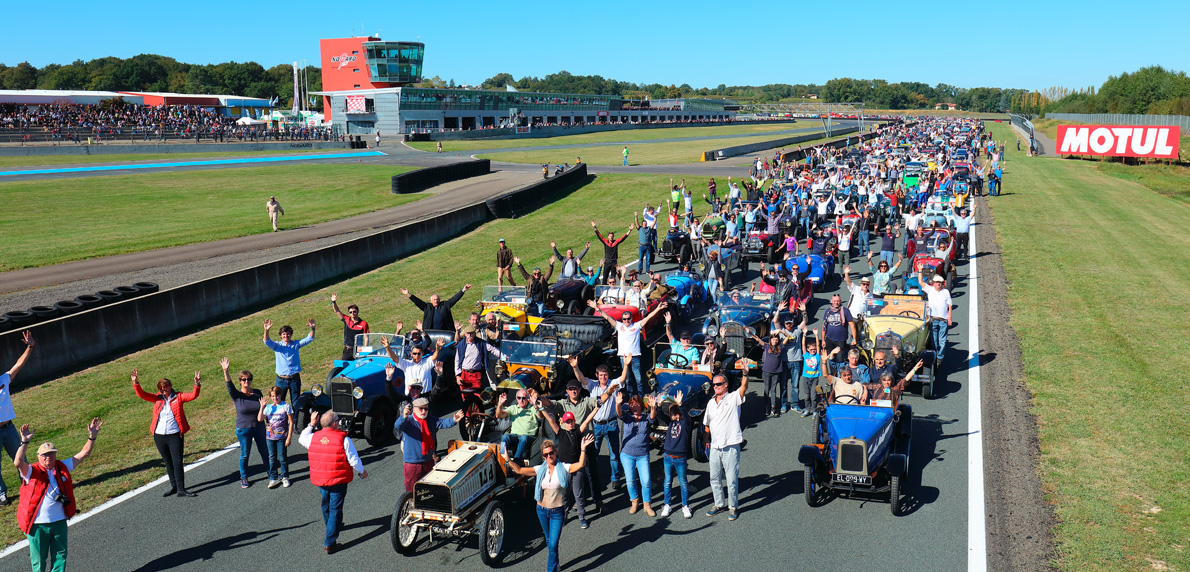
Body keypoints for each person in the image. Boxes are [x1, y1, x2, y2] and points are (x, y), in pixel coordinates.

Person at [15, 418, 103, 572]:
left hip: (59, 522)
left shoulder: (63, 467)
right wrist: (24, 442)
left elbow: (84, 453)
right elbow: (18, 462)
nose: (48, 457)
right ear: (38, 457)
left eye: (51, 454)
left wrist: (92, 436)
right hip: (37, 526)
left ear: (55, 455)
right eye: (44, 455)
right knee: (39, 562)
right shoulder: (30, 472)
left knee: (60, 558)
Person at [506, 434, 594, 572]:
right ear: (543, 456)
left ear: (555, 452)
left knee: (553, 543)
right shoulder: (540, 469)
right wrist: (507, 460)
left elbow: (580, 464)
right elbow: (519, 470)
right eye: (546, 455)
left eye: (551, 453)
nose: (549, 456)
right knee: (549, 542)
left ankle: (550, 570)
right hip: (541, 510)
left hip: (557, 512)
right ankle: (556, 565)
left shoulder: (564, 468)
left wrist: (583, 449)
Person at [299, 411, 368, 554]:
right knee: (336, 508)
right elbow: (353, 459)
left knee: (326, 504)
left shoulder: (312, 437)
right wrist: (362, 471)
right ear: (335, 423)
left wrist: (311, 424)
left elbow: (302, 438)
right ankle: (330, 542)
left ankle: (331, 525)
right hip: (338, 479)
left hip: (320, 479)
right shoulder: (344, 439)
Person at [132, 369, 200, 498]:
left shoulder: (178, 397)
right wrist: (136, 383)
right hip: (159, 436)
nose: (164, 390)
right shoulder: (156, 398)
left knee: (177, 462)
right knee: (168, 462)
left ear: (170, 386)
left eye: (166, 387)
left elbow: (192, 396)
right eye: (161, 388)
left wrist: (196, 385)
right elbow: (141, 394)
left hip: (174, 435)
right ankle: (174, 486)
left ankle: (181, 489)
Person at [587, 299, 669, 396]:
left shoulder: (636, 325)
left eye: (628, 319)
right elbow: (607, 317)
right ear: (622, 320)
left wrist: (658, 309)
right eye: (624, 319)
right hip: (624, 357)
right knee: (627, 380)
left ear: (631, 319)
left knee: (639, 380)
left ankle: (640, 398)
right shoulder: (619, 326)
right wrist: (596, 307)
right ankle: (630, 399)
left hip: (635, 356)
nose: (626, 321)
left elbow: (648, 318)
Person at [570, 356, 627, 493]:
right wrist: (574, 367)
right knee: (593, 453)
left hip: (611, 423)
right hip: (596, 425)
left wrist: (626, 365)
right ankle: (593, 478)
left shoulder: (613, 384)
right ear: (597, 375)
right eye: (601, 375)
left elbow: (623, 378)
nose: (603, 377)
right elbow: (581, 379)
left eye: (605, 375)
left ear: (608, 376)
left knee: (614, 454)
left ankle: (615, 478)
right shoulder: (592, 385)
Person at [540, 405, 598, 528]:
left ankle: (582, 517)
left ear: (574, 421)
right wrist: (542, 409)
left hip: (577, 467)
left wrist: (596, 409)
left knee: (578, 493)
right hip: (563, 469)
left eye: (571, 421)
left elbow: (587, 420)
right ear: (563, 423)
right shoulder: (560, 433)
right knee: (565, 494)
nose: (569, 423)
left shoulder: (577, 432)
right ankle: (564, 515)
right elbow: (550, 420)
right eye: (567, 422)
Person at [395, 398, 463, 491]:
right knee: (412, 491)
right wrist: (404, 416)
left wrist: (454, 420)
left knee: (430, 489)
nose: (423, 411)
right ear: (414, 409)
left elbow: (442, 423)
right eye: (420, 409)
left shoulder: (430, 420)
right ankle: (411, 505)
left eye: (426, 409)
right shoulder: (408, 421)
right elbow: (397, 426)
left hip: (428, 461)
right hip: (412, 465)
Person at [704, 372, 746, 521]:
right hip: (715, 446)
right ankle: (719, 504)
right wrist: (705, 440)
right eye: (714, 384)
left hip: (731, 445)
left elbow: (743, 388)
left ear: (726, 385)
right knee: (714, 478)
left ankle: (733, 507)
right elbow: (707, 424)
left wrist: (746, 374)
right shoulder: (710, 403)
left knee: (731, 479)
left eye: (718, 384)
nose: (715, 387)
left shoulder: (733, 398)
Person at [0, 331, 35, 506]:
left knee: (21, 458)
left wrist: (30, 346)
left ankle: (28, 484)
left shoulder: (4, 380)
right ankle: (1, 494)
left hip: (9, 428)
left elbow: (19, 364)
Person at [221, 358, 267, 489]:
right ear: (240, 381)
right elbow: (229, 384)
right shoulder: (237, 395)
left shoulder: (257, 393)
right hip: (244, 429)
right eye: (244, 380)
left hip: (259, 427)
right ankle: (244, 477)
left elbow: (263, 409)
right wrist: (226, 370)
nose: (247, 382)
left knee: (264, 451)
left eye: (249, 379)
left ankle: (271, 473)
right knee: (245, 454)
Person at [615, 392, 656, 516]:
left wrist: (653, 407)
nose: (634, 407)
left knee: (646, 481)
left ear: (642, 406)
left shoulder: (646, 418)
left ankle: (647, 505)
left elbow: (653, 417)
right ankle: (634, 502)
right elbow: (619, 413)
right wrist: (617, 404)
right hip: (627, 454)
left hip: (642, 455)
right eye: (632, 404)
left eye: (637, 404)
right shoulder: (627, 417)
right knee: (630, 480)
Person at [263, 318, 316, 407]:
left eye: (288, 334)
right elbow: (267, 341)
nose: (286, 336)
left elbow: (309, 338)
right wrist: (266, 330)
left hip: (294, 379)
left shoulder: (296, 344)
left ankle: (295, 420)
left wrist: (313, 328)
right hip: (281, 380)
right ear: (280, 335)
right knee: (279, 402)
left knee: (296, 403)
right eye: (283, 334)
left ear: (291, 335)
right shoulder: (277, 346)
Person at [454, 324, 503, 415]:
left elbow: (493, 350)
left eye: (471, 334)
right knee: (465, 398)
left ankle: (478, 417)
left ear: (475, 333)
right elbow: (457, 361)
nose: (470, 336)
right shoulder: (461, 345)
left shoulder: (481, 343)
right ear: (465, 334)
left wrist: (505, 356)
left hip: (476, 374)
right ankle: (468, 417)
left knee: (477, 397)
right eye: (468, 334)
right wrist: (457, 376)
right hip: (464, 374)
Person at [659, 392, 693, 519]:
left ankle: (685, 506)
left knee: (683, 482)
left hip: (680, 458)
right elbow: (661, 415)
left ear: (678, 415)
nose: (670, 416)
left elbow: (687, 417)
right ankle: (667, 504)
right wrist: (658, 406)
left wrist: (681, 405)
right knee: (667, 482)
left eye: (672, 414)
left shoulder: (685, 424)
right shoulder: (670, 423)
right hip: (668, 457)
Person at [382, 336, 443, 401]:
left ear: (422, 354)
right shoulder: (406, 364)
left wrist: (438, 349)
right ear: (411, 354)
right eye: (414, 353)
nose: (417, 356)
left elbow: (434, 357)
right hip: (410, 399)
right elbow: (394, 358)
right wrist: (387, 348)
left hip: (425, 398)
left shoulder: (427, 362)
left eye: (419, 354)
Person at [257, 386, 294, 488]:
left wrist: (289, 437)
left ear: (280, 395)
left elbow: (291, 422)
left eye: (277, 395)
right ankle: (273, 478)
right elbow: (260, 419)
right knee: (272, 458)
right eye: (273, 396)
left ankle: (285, 477)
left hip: (282, 437)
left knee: (282, 458)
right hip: (270, 437)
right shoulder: (268, 407)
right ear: (270, 397)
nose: (275, 398)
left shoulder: (286, 406)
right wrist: (262, 406)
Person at [496, 388, 545, 460]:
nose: (521, 400)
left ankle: (517, 461)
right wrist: (500, 404)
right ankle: (501, 458)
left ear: (528, 398)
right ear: (516, 399)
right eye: (519, 398)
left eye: (524, 398)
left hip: (529, 437)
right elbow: (498, 415)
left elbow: (541, 417)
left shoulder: (532, 408)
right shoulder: (513, 408)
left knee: (524, 438)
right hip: (515, 436)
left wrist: (535, 406)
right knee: (505, 436)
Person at [401, 284, 471, 331]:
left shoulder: (445, 305)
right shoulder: (427, 307)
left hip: (445, 332)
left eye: (437, 299)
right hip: (431, 333)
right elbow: (417, 301)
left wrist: (463, 290)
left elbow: (454, 299)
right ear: (431, 301)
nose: (436, 301)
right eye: (434, 300)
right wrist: (408, 294)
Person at [752, 333, 786, 417]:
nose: (774, 341)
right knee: (767, 389)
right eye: (773, 339)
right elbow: (758, 339)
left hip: (776, 371)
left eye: (776, 340)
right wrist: (750, 333)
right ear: (770, 340)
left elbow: (788, 337)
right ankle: (766, 407)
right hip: (766, 371)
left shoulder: (780, 347)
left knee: (773, 389)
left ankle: (773, 407)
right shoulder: (767, 346)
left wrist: (781, 331)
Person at [819, 294, 855, 371]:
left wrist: (854, 338)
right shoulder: (827, 311)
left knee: (840, 360)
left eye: (838, 301)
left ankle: (840, 377)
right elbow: (824, 326)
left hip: (841, 340)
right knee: (831, 358)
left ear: (840, 301)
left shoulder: (845, 311)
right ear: (831, 301)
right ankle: (833, 376)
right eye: (834, 301)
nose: (836, 303)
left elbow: (852, 325)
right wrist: (823, 339)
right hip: (829, 339)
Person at [924, 275, 954, 365]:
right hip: (933, 319)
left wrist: (949, 318)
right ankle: (935, 354)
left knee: (943, 340)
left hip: (943, 320)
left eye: (940, 283)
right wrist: (921, 271)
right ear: (933, 283)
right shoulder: (930, 290)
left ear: (942, 284)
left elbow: (950, 306)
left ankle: (940, 357)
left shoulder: (946, 292)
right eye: (937, 282)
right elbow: (921, 282)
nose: (938, 284)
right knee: (933, 340)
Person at [331, 293, 369, 361]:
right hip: (348, 349)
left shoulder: (364, 324)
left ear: (358, 312)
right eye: (350, 312)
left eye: (354, 311)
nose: (352, 313)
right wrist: (333, 302)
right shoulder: (347, 319)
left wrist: (365, 351)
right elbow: (337, 311)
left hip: (358, 349)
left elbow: (366, 338)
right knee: (344, 368)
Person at [801, 335, 824, 413]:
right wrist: (804, 335)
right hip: (806, 377)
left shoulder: (817, 355)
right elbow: (803, 344)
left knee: (813, 396)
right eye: (811, 350)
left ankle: (814, 410)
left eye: (814, 350)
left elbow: (818, 345)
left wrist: (817, 335)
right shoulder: (806, 355)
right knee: (807, 395)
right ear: (807, 350)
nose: (813, 351)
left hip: (815, 378)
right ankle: (808, 409)